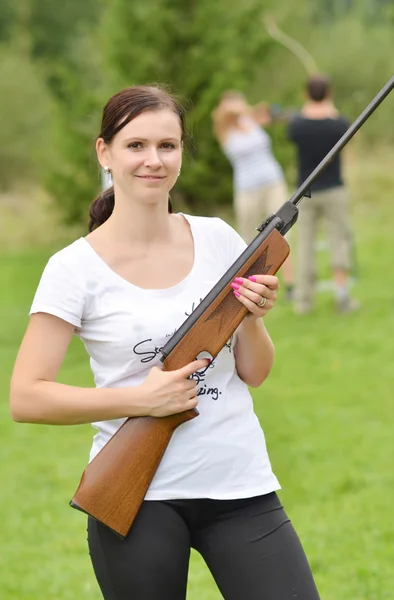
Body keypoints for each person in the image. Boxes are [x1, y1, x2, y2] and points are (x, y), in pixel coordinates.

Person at [10, 85, 321, 600]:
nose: (153, 160)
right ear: (104, 153)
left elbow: (255, 372)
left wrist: (252, 318)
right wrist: (141, 400)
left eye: (168, 146)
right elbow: (26, 396)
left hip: (239, 484)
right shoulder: (72, 269)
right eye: (136, 146)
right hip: (137, 499)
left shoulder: (219, 238)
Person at [212, 90, 295, 301]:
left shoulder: (251, 120)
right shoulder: (223, 129)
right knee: (248, 237)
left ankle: (291, 285)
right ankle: (250, 287)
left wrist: (252, 111)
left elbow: (270, 110)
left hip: (272, 181)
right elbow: (222, 114)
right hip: (247, 188)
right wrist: (237, 107)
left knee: (282, 231)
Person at [288, 74, 360, 314]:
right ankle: (342, 297)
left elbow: (294, 128)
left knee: (305, 245)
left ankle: (303, 302)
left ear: (306, 94)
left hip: (305, 191)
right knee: (338, 240)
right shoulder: (337, 123)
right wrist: (331, 110)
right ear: (328, 94)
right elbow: (346, 130)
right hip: (334, 190)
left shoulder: (297, 124)